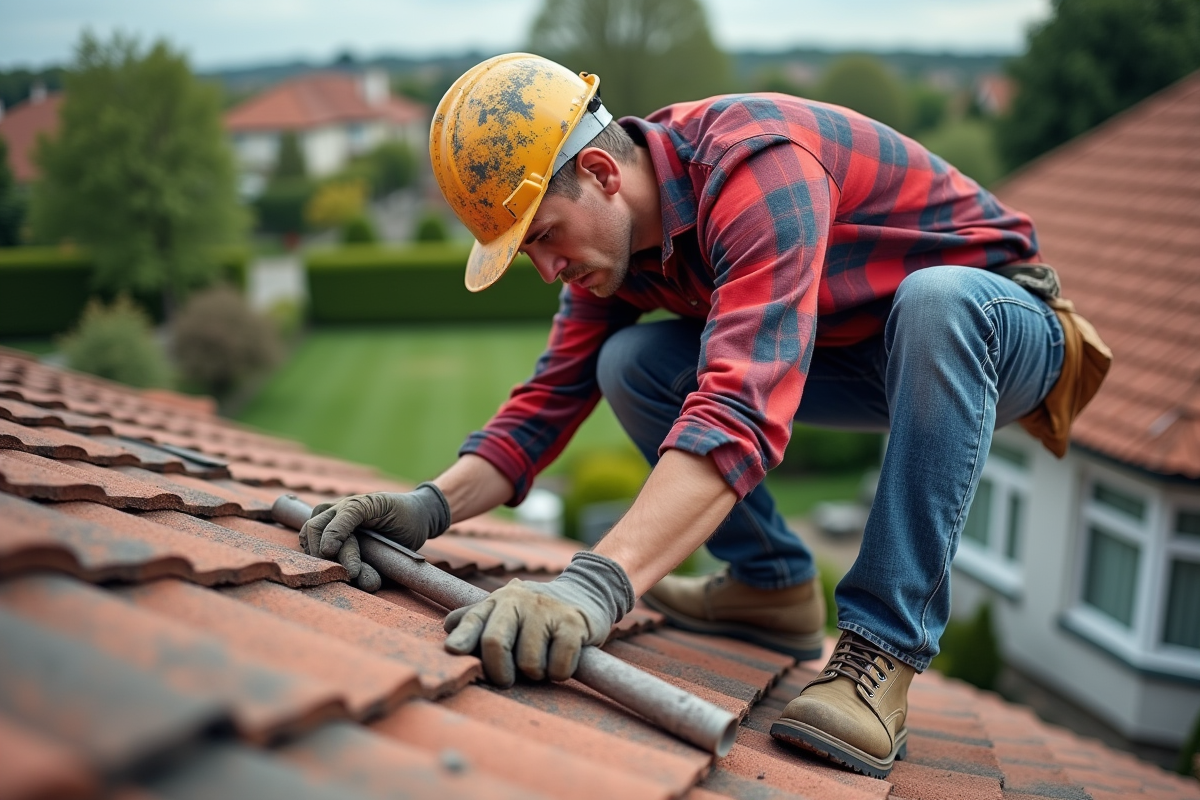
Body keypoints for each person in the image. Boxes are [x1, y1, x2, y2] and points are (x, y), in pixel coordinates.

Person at [299, 53, 1095, 779]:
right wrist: (424, 507)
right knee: (630, 364)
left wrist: (592, 590)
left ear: (604, 172)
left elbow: (739, 409)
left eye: (545, 237)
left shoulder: (755, 166)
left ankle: (880, 653)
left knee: (936, 299)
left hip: (999, 328)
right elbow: (544, 407)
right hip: (859, 344)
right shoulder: (615, 252)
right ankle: (772, 585)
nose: (547, 272)